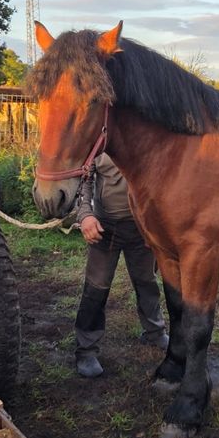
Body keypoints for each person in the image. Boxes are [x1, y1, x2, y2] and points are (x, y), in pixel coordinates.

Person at [73, 153, 169, 378]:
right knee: (96, 289)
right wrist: (85, 215)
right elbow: (84, 181)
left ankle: (154, 332)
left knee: (147, 283)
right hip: (104, 230)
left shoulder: (144, 135)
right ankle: (86, 349)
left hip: (140, 228)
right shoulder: (97, 141)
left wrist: (154, 223)